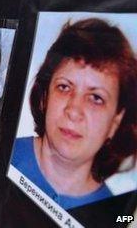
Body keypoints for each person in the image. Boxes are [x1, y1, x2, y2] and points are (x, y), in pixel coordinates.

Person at [12, 18, 137, 209]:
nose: (74, 111)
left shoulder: (115, 215)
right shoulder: (3, 156)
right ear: (45, 97)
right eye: (64, 87)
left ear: (115, 122)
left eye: (96, 98)